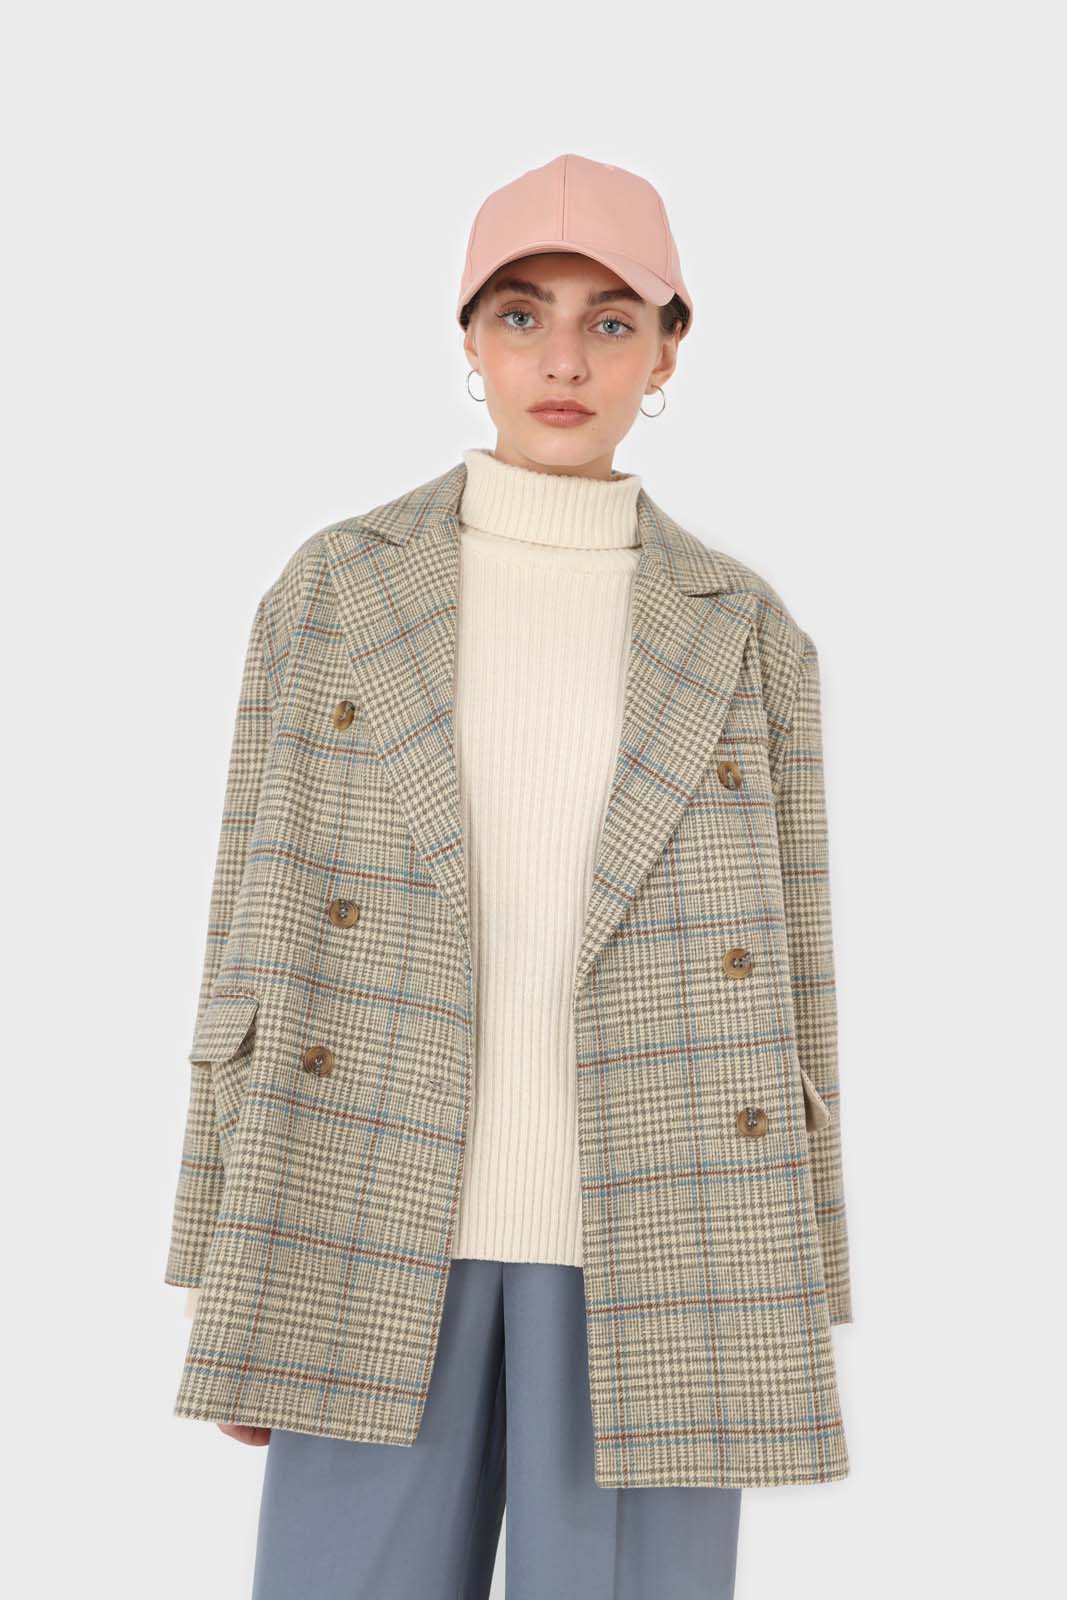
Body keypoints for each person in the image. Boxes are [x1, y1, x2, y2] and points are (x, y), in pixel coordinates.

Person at [167, 153, 851, 1598]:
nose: (564, 360)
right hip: (363, 1196)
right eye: (522, 314)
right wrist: (231, 1260)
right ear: (467, 339)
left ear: (670, 351)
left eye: (613, 321)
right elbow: (247, 917)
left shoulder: (743, 629)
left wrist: (799, 1287)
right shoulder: (336, 586)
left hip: (664, 1222)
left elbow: (800, 982)